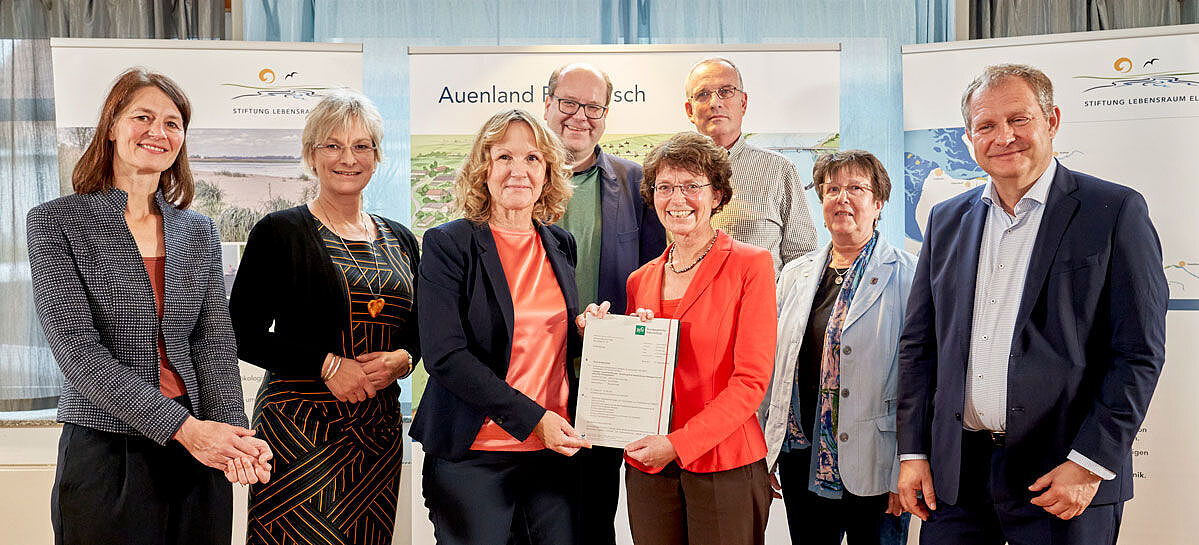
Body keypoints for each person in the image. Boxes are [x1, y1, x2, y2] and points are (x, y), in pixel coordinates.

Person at [896, 64, 1168, 544]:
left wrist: (1089, 463)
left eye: (1018, 119)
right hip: (956, 480)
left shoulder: (1114, 211)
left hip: (1061, 477)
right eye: (986, 126)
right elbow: (919, 347)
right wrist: (913, 452)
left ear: (1052, 120)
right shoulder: (946, 220)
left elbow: (1138, 352)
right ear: (968, 138)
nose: (1004, 136)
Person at [26, 68, 271, 545]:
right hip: (106, 449)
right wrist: (185, 430)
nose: (158, 132)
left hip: (198, 448)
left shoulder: (196, 230)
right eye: (143, 117)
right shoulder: (57, 222)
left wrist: (231, 439)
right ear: (112, 125)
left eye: (173, 123)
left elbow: (213, 344)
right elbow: (78, 355)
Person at [230, 89, 420, 545]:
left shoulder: (402, 239)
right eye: (332, 145)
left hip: (377, 432)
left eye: (361, 146)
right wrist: (328, 364)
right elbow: (240, 333)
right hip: (300, 430)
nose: (347, 158)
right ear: (311, 155)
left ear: (376, 157)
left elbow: (420, 329)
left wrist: (405, 358)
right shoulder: (279, 232)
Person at [582, 131, 776, 545]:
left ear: (718, 195)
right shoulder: (640, 280)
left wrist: (678, 444)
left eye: (692, 186)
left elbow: (752, 383)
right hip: (649, 468)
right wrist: (601, 333)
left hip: (724, 463)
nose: (677, 198)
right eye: (665, 187)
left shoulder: (751, 265)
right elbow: (639, 371)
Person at [411, 109, 589, 545]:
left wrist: (590, 330)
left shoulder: (560, 243)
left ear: (547, 172)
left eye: (532, 158)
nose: (518, 171)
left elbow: (547, 338)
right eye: (504, 156)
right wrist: (532, 420)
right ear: (482, 167)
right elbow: (444, 355)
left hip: (552, 455)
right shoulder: (447, 244)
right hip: (474, 456)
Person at [759, 150, 913, 544]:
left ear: (878, 204)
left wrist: (906, 466)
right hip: (801, 455)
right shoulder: (795, 274)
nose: (842, 198)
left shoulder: (908, 274)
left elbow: (920, 381)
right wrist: (769, 445)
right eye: (832, 189)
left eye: (856, 189)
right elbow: (776, 367)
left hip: (876, 461)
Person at [542, 61, 667, 545]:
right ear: (547, 103)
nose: (581, 116)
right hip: (527, 380)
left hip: (606, 382)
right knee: (533, 518)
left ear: (607, 114)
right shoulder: (517, 177)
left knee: (595, 518)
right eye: (569, 103)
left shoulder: (634, 182)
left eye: (594, 106)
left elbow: (656, 272)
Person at [683, 57, 817, 272]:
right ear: (690, 110)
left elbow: (802, 260)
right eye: (703, 94)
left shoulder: (779, 170)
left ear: (743, 103)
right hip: (689, 303)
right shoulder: (672, 176)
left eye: (726, 91)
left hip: (764, 304)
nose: (715, 102)